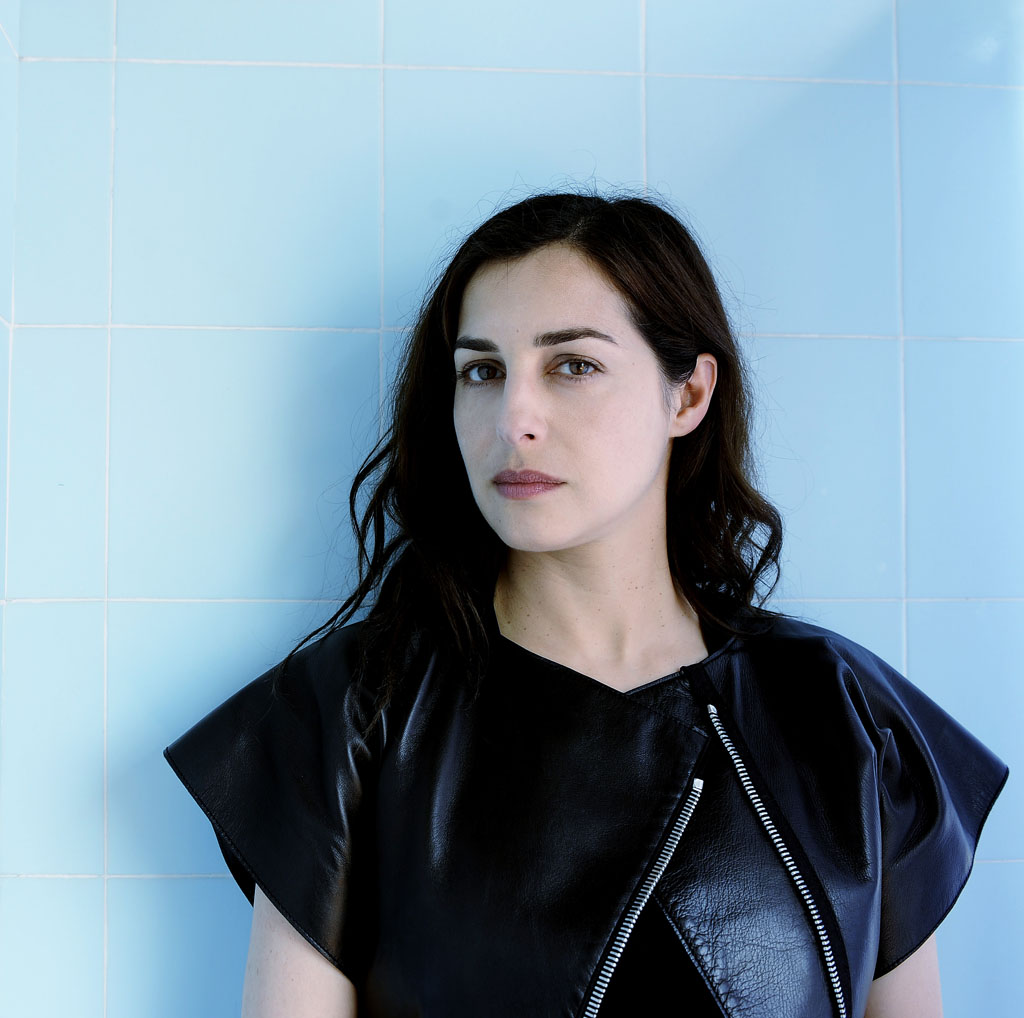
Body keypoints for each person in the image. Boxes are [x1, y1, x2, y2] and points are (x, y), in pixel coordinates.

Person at [164, 190, 1009, 1018]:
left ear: (688, 396)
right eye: (482, 371)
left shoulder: (853, 720)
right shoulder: (347, 714)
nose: (513, 417)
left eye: (573, 364)